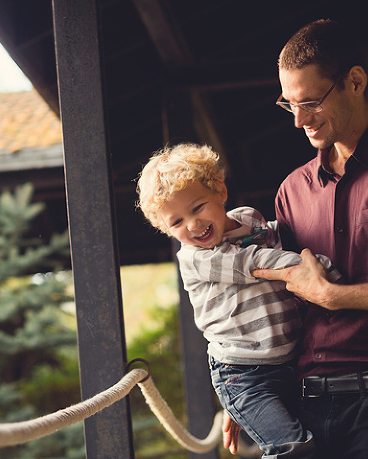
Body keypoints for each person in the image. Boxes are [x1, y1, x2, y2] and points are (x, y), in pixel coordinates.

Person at [222, 19, 368, 458]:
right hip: (307, 407)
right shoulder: (291, 190)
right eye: (288, 104)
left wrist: (335, 296)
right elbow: (280, 300)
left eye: (310, 102)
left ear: (355, 81)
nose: (298, 120)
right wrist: (247, 385)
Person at [137, 142, 341, 458]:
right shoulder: (195, 258)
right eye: (176, 222)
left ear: (220, 190)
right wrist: (313, 268)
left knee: (320, 442)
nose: (191, 225)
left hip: (291, 362)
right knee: (292, 448)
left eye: (197, 207)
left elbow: (277, 235)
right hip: (243, 375)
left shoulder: (250, 220)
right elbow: (255, 261)